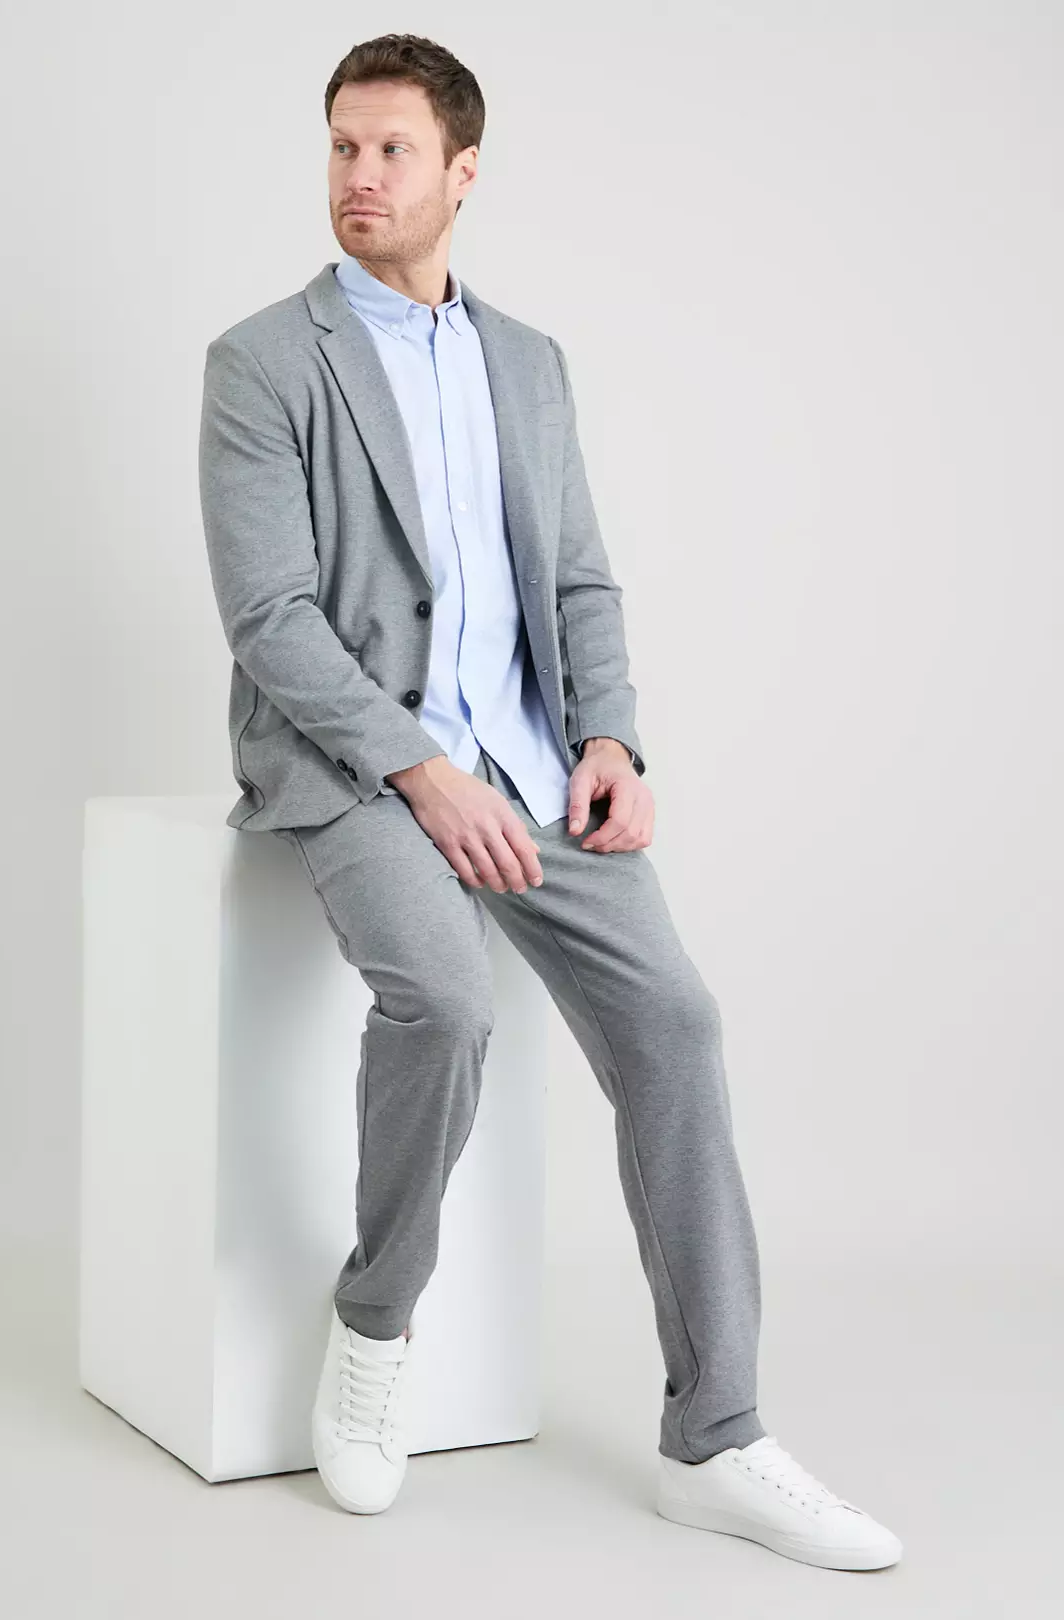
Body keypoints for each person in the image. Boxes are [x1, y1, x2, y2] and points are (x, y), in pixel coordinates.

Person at [198, 31, 901, 1570]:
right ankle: (374, 1325)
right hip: (357, 768)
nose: (357, 176)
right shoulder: (263, 362)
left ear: (462, 172)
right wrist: (420, 768)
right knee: (448, 1003)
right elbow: (271, 618)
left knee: (680, 1027)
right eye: (340, 146)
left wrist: (612, 742)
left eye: (389, 149)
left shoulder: (529, 362)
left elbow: (577, 579)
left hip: (530, 771)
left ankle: (716, 1435)